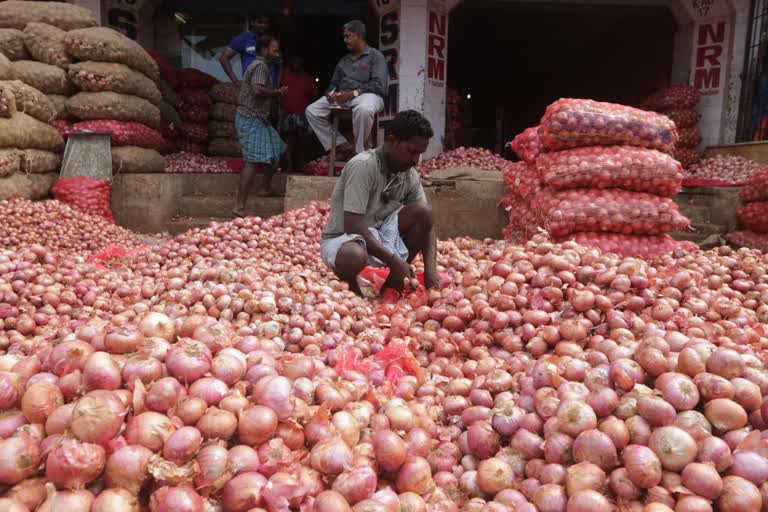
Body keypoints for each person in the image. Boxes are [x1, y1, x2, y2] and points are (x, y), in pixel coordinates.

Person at [320, 110, 439, 296]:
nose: (415, 160)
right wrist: (394, 260)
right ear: (392, 141)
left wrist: (431, 271)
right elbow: (353, 226)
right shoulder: (364, 165)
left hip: (382, 237)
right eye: (412, 151)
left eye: (420, 154)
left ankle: (393, 284)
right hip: (345, 239)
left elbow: (428, 223)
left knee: (424, 212)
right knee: (354, 256)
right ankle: (352, 289)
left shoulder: (408, 174)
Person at [306, 20, 388, 157]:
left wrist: (352, 94)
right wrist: (330, 93)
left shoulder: (375, 56)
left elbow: (378, 85)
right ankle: (341, 145)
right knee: (312, 111)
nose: (345, 40)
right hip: (344, 97)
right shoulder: (343, 61)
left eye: (348, 36)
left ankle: (359, 151)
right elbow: (333, 84)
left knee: (364, 109)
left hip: (368, 96)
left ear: (359, 36)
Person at [232, 35, 286, 217]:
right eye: (275, 50)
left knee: (277, 149)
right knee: (252, 161)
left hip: (259, 119)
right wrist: (277, 92)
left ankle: (266, 187)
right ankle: (239, 205)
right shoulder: (261, 66)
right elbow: (257, 90)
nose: (277, 54)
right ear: (264, 50)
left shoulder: (263, 66)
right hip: (250, 118)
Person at [280, 56, 316, 172]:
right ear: (290, 64)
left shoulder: (307, 78)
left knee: (303, 142)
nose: (296, 65)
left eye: (299, 63)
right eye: (294, 62)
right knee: (288, 142)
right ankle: (288, 167)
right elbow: (276, 93)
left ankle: (302, 166)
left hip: (303, 114)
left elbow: (314, 97)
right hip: (287, 114)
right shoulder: (284, 75)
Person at [219, 15, 278, 86]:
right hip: (251, 89)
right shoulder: (243, 38)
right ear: (252, 22)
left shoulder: (272, 40)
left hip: (270, 89)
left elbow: (279, 64)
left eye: (266, 23)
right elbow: (223, 58)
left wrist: (277, 85)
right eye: (260, 22)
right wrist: (235, 81)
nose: (263, 25)